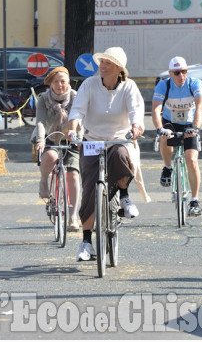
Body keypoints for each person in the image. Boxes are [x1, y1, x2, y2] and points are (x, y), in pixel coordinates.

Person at [66, 47, 144, 262]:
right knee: (90, 188)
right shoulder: (89, 84)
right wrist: (73, 129)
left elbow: (136, 112)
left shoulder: (129, 87)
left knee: (120, 155)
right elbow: (77, 110)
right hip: (93, 140)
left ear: (118, 68)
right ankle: (86, 242)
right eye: (101, 61)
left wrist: (136, 128)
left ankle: (125, 197)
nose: (102, 65)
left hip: (119, 138)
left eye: (107, 63)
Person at [152, 56, 202, 216]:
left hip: (190, 123)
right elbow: (155, 109)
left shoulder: (194, 83)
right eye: (176, 73)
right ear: (170, 73)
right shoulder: (164, 85)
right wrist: (159, 128)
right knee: (165, 137)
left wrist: (195, 128)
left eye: (184, 71)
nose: (181, 75)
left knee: (192, 160)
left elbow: (200, 106)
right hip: (170, 121)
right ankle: (168, 167)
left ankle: (194, 201)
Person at [31, 67, 82, 231]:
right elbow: (40, 121)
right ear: (50, 84)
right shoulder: (43, 99)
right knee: (51, 156)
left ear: (68, 82)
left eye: (63, 81)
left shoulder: (76, 97)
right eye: (56, 82)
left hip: (72, 138)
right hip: (49, 136)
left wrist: (76, 134)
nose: (60, 85)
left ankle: (73, 217)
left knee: (73, 173)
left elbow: (81, 118)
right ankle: (44, 180)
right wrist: (40, 140)